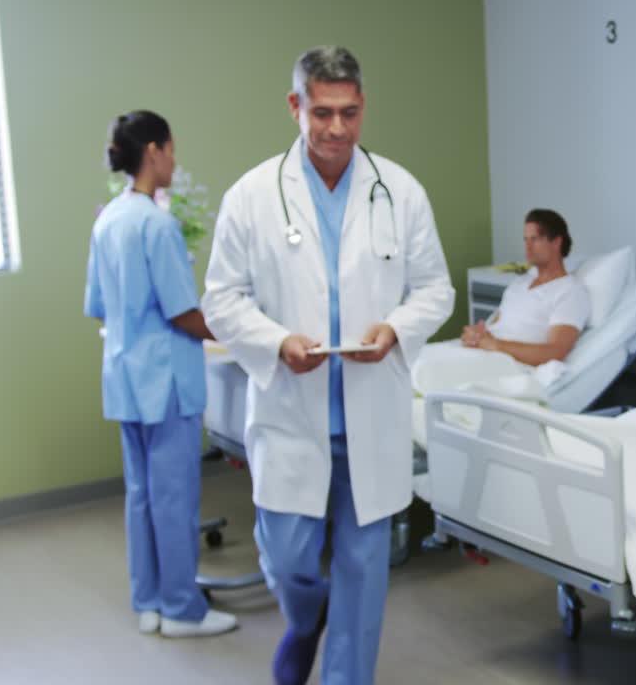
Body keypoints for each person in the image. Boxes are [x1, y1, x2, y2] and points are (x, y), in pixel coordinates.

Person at [202, 47, 454, 685]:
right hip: (292, 411)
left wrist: (395, 330)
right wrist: (277, 339)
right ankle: (305, 619)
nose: (336, 128)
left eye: (348, 113)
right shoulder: (253, 196)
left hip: (372, 412)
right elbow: (222, 299)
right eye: (321, 113)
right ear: (296, 107)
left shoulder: (400, 191)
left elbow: (435, 290)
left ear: (363, 107)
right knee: (290, 564)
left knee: (365, 573)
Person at [84, 110, 238, 638]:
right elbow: (183, 314)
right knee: (174, 497)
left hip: (126, 376)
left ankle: (148, 600)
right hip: (166, 381)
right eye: (172, 150)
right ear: (153, 150)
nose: (175, 161)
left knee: (142, 493)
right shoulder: (156, 223)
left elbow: (100, 306)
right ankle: (180, 609)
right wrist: (244, 332)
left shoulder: (107, 219)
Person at [461, 209, 590, 366]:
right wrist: (475, 334)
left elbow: (555, 351)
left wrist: (496, 345)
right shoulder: (519, 283)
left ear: (556, 242)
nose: (527, 247)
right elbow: (494, 325)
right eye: (525, 240)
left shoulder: (570, 291)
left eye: (535, 239)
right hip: (484, 355)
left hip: (511, 364)